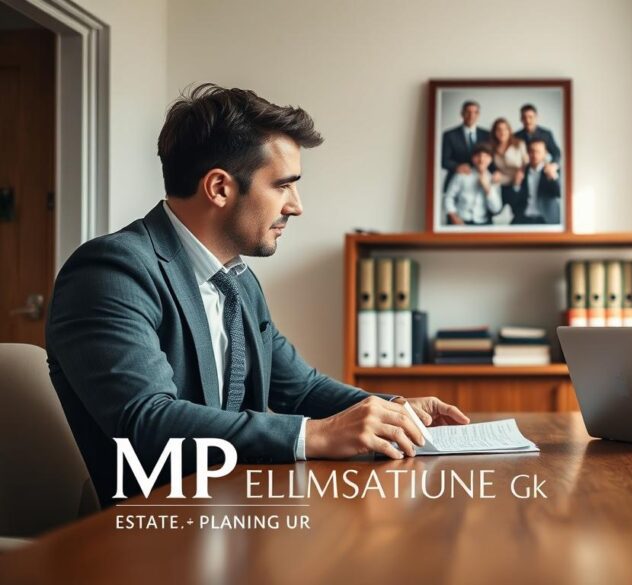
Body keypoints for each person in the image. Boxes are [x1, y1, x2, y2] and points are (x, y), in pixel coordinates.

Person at [46, 84, 471, 506]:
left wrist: (391, 410)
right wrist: (314, 434)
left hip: (236, 515)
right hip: (151, 534)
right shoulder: (111, 271)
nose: (296, 205)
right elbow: (147, 421)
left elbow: (299, 389)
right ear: (219, 187)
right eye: (283, 185)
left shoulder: (237, 280)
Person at [443, 143, 503, 225]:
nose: (481, 159)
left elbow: (496, 209)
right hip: (461, 220)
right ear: (472, 158)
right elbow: (448, 197)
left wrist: (487, 188)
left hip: (483, 223)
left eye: (486, 156)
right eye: (478, 155)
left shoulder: (493, 178)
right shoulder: (462, 175)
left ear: (491, 159)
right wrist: (454, 217)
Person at [505, 139, 561, 225]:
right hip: (523, 219)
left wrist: (553, 176)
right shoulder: (521, 172)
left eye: (538, 152)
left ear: (545, 153)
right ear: (527, 152)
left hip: (547, 219)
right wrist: (516, 184)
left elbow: (560, 194)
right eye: (531, 151)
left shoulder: (553, 170)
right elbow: (511, 201)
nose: (535, 155)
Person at [440, 100, 490, 192]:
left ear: (478, 115)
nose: (471, 116)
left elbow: (491, 157)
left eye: (475, 112)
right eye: (468, 112)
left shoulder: (487, 135)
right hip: (456, 181)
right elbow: (443, 160)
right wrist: (457, 166)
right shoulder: (449, 135)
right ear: (462, 114)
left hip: (481, 182)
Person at [514, 103, 561, 173]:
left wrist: (552, 165)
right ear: (521, 119)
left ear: (536, 117)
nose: (527, 120)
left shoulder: (546, 134)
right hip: (524, 170)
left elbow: (556, 152)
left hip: (542, 168)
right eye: (524, 117)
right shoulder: (516, 136)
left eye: (530, 117)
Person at [488, 117, 527, 186]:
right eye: (499, 130)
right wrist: (496, 172)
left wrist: (521, 171)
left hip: (520, 179)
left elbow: (526, 163)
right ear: (494, 132)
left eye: (505, 129)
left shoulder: (519, 144)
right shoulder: (492, 148)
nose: (502, 132)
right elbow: (492, 166)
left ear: (509, 131)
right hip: (503, 180)